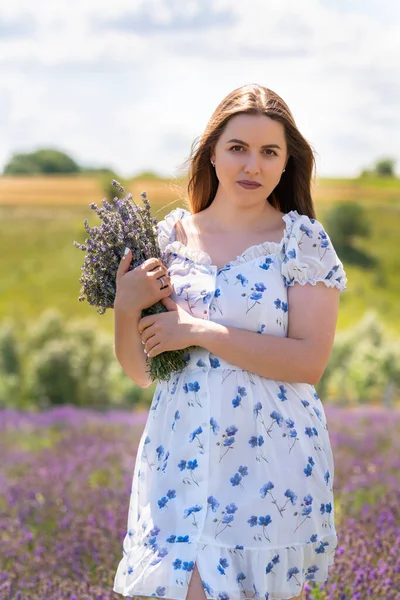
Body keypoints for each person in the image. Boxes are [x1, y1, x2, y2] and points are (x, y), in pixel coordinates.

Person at [112, 83, 347, 600]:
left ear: (287, 164)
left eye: (269, 152)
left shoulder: (302, 242)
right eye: (238, 148)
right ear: (212, 153)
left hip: (269, 464)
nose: (252, 166)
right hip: (179, 455)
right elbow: (142, 372)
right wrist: (126, 307)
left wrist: (198, 332)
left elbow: (308, 362)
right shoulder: (169, 239)